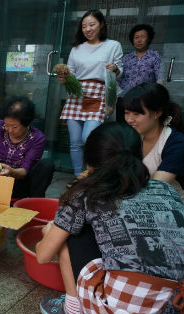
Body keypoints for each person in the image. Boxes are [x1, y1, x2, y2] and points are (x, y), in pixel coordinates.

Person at [36, 122, 183, 314]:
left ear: (89, 161)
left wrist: (47, 233)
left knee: (68, 233)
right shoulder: (166, 190)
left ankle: (72, 313)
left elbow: (43, 256)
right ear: (138, 155)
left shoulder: (85, 194)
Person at [59, 9, 123, 176]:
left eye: (92, 24)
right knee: (74, 142)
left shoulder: (113, 45)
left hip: (99, 92)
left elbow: (120, 71)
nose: (87, 29)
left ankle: (92, 176)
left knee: (89, 138)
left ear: (100, 24)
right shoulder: (77, 48)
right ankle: (79, 176)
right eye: (84, 26)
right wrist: (65, 77)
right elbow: (70, 71)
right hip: (76, 94)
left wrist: (115, 68)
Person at [0, 95, 54, 198]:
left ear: (26, 123)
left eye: (15, 127)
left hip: (18, 184)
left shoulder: (37, 138)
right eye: (7, 125)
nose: (9, 130)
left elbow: (24, 170)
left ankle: (33, 204)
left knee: (47, 165)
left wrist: (11, 172)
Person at [123, 82, 184, 201]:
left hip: (170, 206)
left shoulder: (176, 143)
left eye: (136, 114)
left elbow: (156, 188)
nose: (129, 119)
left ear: (157, 113)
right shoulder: (129, 136)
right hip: (136, 199)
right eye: (126, 113)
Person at [116, 24, 162, 123]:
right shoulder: (126, 58)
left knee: (140, 128)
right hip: (125, 99)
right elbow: (119, 78)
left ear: (148, 39)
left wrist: (157, 97)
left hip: (145, 100)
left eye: (143, 37)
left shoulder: (155, 56)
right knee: (123, 128)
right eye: (136, 37)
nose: (139, 40)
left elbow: (160, 78)